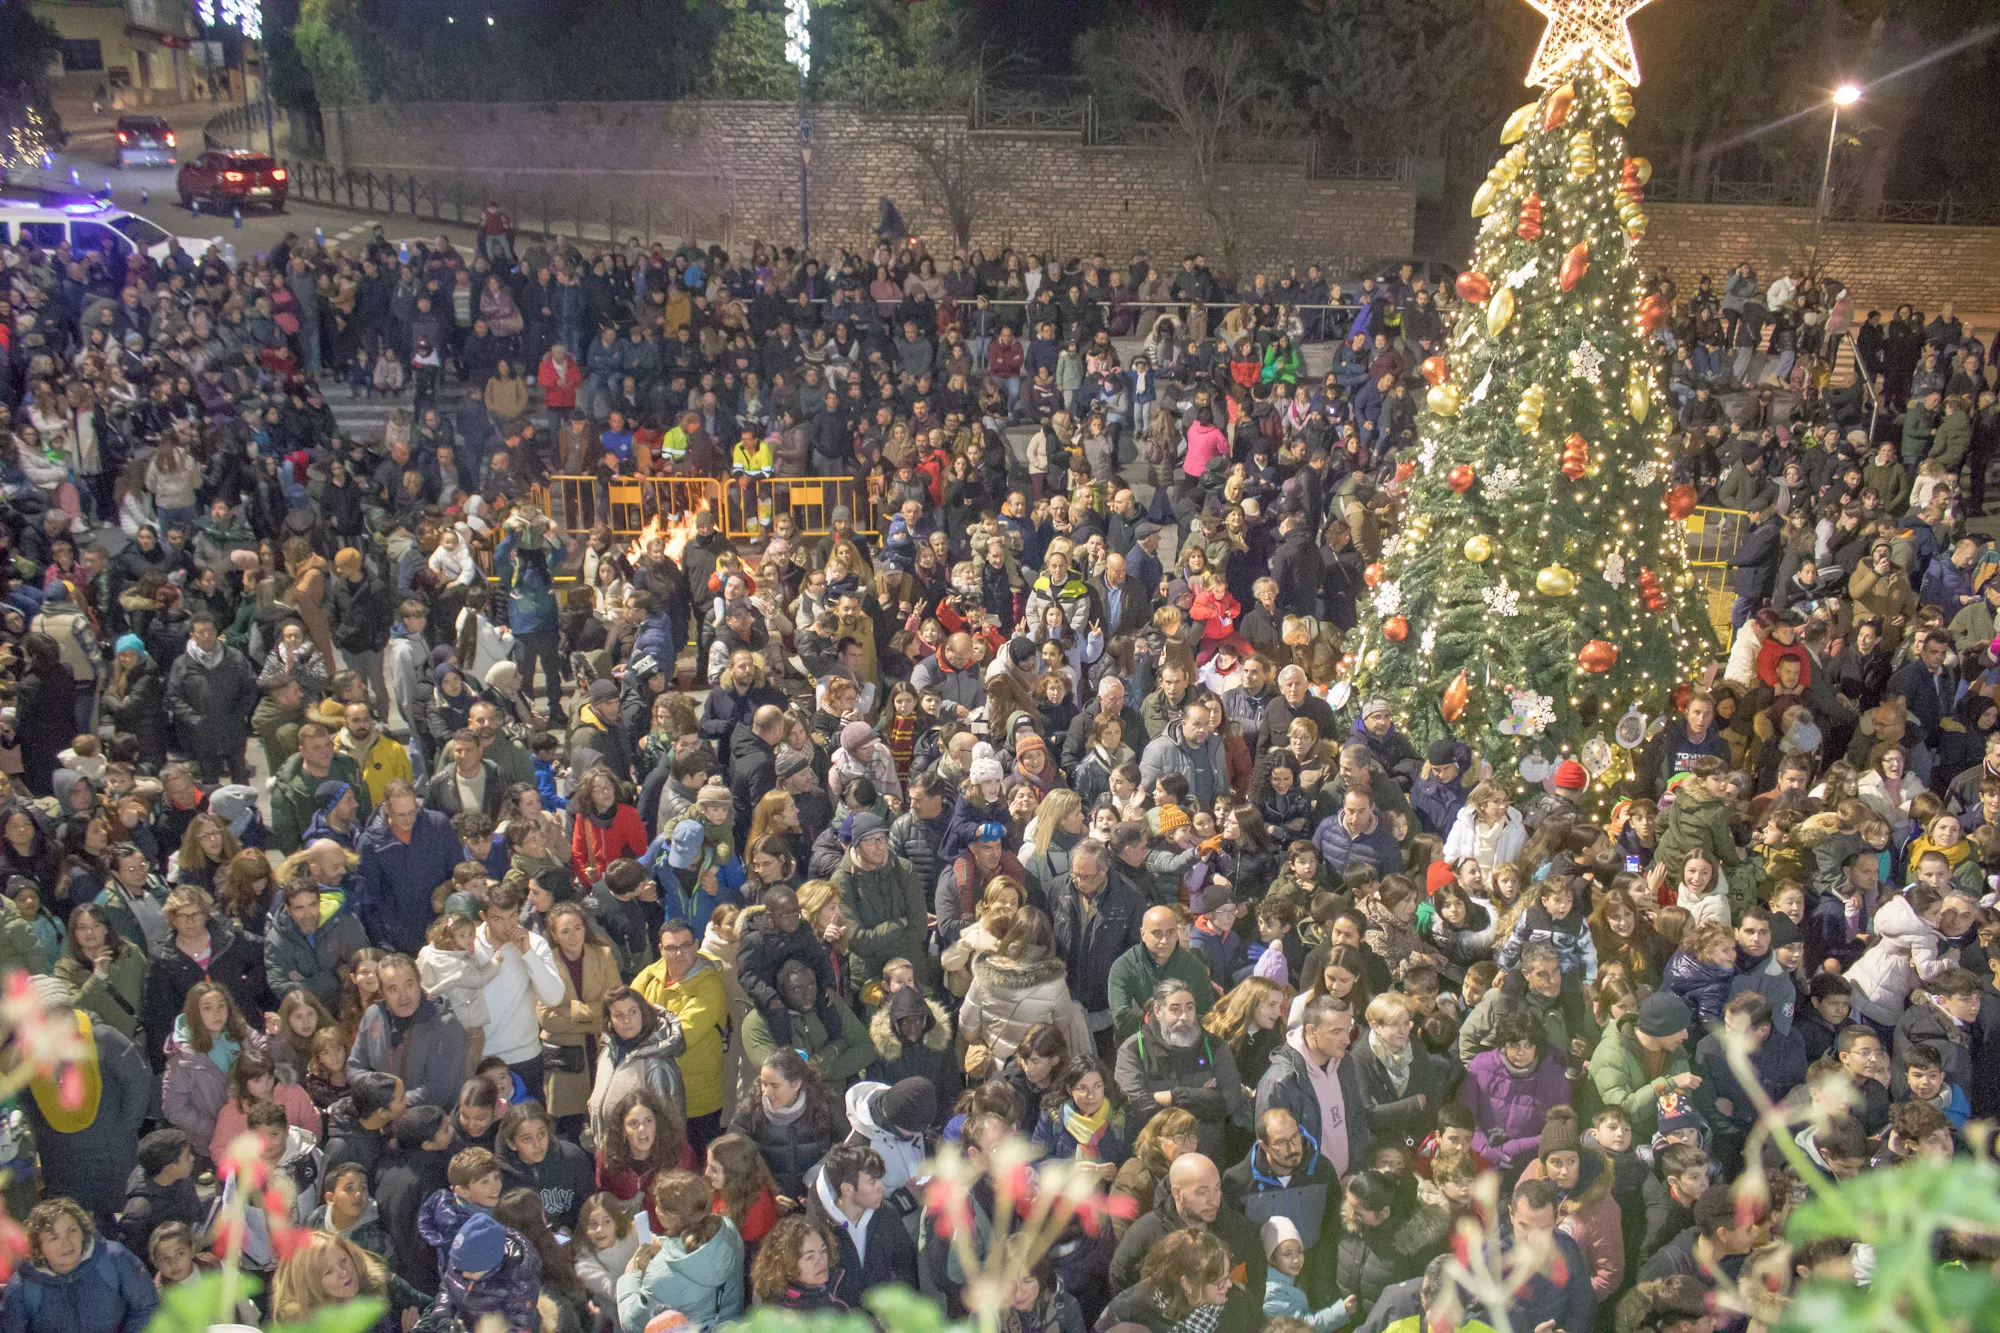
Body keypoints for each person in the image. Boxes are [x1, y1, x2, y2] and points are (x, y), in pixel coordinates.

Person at [1116, 978, 1252, 1160]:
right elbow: (1139, 1107)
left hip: (1207, 1157)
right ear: (1158, 1011)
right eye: (1175, 1009)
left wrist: (1173, 1097)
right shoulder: (1134, 1049)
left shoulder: (1215, 1046)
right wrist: (1202, 1097)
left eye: (1189, 1008)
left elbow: (1230, 1101)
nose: (1184, 1016)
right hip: (1154, 1159)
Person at [634, 919, 731, 1152]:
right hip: (655, 1096)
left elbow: (679, 1038)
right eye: (671, 948)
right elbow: (623, 1015)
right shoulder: (649, 975)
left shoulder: (711, 984)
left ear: (696, 945)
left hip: (699, 1100)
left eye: (686, 945)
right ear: (661, 950)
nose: (679, 953)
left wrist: (640, 1031)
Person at [0, 1197, 158, 1333]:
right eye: (54, 1238)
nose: (66, 1243)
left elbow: (147, 1307)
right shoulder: (22, 1287)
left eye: (72, 1231)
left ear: (83, 1232)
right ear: (39, 1249)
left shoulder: (115, 1259)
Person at [1257, 993, 1370, 1181]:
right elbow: (1276, 1151)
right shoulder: (1280, 1083)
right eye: (1336, 1032)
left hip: (1347, 1181)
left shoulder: (1345, 1062)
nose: (1347, 1040)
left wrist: (1354, 1171)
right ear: (1311, 1031)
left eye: (1347, 1030)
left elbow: (1357, 1117)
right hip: (1309, 1188)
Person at [616, 1169, 745, 1332]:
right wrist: (666, 1248)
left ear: (673, 1217)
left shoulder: (661, 1274)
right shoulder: (727, 1228)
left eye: (658, 1205)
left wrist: (631, 1275)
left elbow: (633, 1325)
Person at [347, 954, 468, 1111]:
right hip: (382, 1114)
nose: (403, 996)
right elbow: (354, 1067)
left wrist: (392, 1103)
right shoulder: (373, 1015)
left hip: (429, 1122)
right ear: (382, 993)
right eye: (393, 989)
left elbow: (438, 1091)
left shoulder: (445, 1025)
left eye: (408, 985)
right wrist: (379, 1092)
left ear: (419, 983)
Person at [806, 1142, 921, 1305]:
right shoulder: (817, 1228)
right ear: (847, 1189)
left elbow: (905, 1266)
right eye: (872, 1182)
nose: (881, 1187)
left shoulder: (887, 1214)